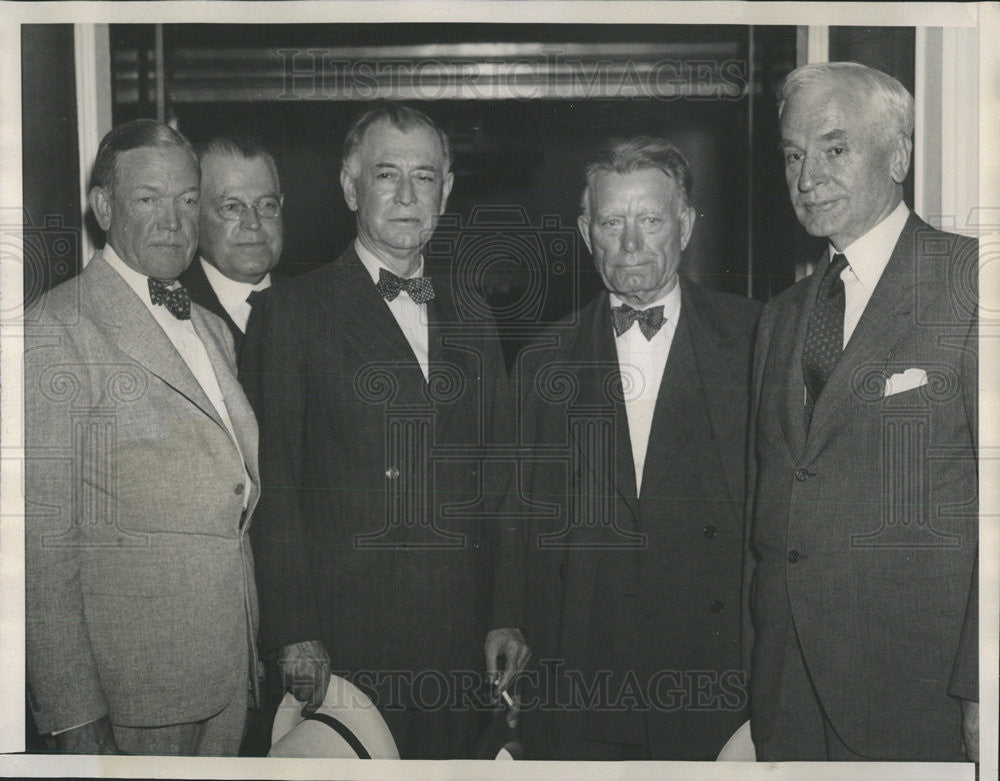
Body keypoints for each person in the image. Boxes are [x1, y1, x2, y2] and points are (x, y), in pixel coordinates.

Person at [241, 104, 529, 759]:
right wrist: (295, 629)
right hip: (348, 636)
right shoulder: (292, 310)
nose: (406, 195)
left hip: (459, 635)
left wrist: (506, 611)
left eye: (424, 177)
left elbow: (501, 475)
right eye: (386, 175)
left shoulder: (474, 311)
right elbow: (276, 479)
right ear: (350, 187)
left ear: (446, 190)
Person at [747, 62, 978, 761]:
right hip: (787, 694)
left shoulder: (971, 283)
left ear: (900, 154)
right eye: (793, 154)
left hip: (920, 691)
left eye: (834, 148)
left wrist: (983, 684)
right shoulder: (782, 317)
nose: (807, 175)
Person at [517, 136, 761, 759]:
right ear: (584, 231)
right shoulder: (542, 357)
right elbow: (519, 521)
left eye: (650, 220)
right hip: (588, 665)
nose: (630, 243)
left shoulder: (756, 336)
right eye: (611, 222)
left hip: (717, 666)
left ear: (685, 225)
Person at [24, 119, 261, 755]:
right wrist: (73, 712)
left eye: (188, 200)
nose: (175, 220)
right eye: (148, 199)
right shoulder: (57, 327)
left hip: (225, 672)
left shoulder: (210, 328)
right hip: (132, 691)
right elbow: (40, 544)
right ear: (104, 209)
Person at [180, 135, 284, 355]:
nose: (253, 223)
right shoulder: (171, 314)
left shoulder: (316, 307)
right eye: (231, 207)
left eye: (266, 204)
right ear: (194, 213)